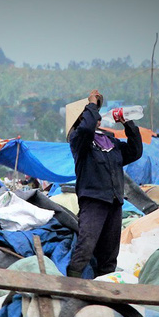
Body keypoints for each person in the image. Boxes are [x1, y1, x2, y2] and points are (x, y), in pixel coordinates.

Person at [66, 90, 143, 278]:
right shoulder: (79, 140)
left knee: (109, 256)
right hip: (93, 201)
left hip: (115, 202)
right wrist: (91, 104)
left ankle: (104, 292)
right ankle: (70, 286)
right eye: (92, 114)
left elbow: (135, 151)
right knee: (85, 247)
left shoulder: (111, 142)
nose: (97, 117)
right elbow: (85, 129)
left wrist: (127, 122)